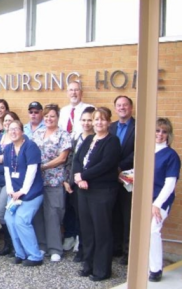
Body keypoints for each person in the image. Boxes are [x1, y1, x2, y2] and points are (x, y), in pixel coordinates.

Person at [73, 107, 121, 282]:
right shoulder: (89, 139)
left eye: (102, 119)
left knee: (102, 231)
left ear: (108, 122)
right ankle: (88, 265)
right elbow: (78, 159)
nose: (99, 122)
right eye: (96, 119)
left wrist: (83, 176)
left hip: (102, 192)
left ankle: (102, 270)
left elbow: (106, 164)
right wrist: (79, 178)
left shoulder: (112, 141)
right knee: (87, 230)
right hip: (84, 190)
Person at [32, 104, 71, 262]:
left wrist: (45, 166)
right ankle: (42, 246)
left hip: (54, 179)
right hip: (37, 181)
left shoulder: (63, 134)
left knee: (53, 214)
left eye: (52, 116)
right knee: (38, 214)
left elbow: (63, 158)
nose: (49, 119)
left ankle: (55, 248)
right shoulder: (37, 133)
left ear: (57, 118)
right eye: (47, 116)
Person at [58, 81, 94, 252]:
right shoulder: (63, 111)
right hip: (67, 158)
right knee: (69, 205)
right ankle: (70, 235)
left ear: (81, 92)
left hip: (83, 158)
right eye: (70, 90)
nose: (73, 93)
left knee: (80, 206)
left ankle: (81, 239)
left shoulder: (89, 108)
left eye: (76, 90)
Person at [3, 120, 44, 267]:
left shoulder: (31, 147)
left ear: (22, 131)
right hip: (14, 193)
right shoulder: (8, 149)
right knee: (10, 219)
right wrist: (10, 190)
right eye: (10, 129)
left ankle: (35, 255)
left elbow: (32, 171)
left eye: (16, 129)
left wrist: (22, 191)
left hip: (31, 192)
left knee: (21, 220)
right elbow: (7, 171)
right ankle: (20, 253)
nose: (13, 132)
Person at [148, 118, 181, 282]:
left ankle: (155, 269)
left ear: (168, 135)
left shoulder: (171, 155)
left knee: (153, 230)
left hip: (160, 200)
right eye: (157, 130)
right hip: (143, 199)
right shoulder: (146, 151)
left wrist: (157, 204)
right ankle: (143, 264)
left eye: (164, 131)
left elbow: (170, 184)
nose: (160, 134)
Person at [63, 106, 95, 262]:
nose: (87, 123)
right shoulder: (75, 138)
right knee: (73, 211)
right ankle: (73, 237)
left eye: (90, 120)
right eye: (84, 120)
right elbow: (70, 162)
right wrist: (67, 180)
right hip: (73, 183)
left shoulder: (97, 138)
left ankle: (82, 245)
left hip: (89, 184)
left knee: (85, 218)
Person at [0, 111, 20, 256]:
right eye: (5, 121)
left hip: (10, 182)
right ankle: (8, 244)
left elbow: (19, 160)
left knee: (0, 211)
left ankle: (14, 242)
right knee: (5, 212)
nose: (7, 123)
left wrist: (4, 158)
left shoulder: (17, 139)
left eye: (10, 121)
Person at [109, 95, 136, 265]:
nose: (122, 108)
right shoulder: (111, 127)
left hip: (128, 177)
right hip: (111, 178)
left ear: (131, 107)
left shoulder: (139, 127)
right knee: (114, 214)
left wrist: (120, 166)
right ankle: (116, 247)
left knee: (127, 216)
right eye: (119, 105)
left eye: (125, 105)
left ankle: (128, 251)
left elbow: (138, 151)